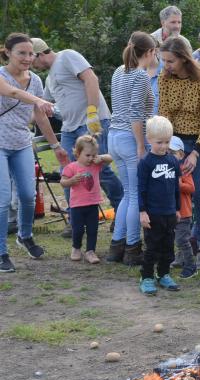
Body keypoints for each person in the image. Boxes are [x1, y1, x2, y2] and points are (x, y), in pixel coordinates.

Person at [31, 38, 123, 235]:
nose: (32, 65)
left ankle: (122, 212)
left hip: (89, 123)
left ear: (39, 54)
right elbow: (45, 104)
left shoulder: (67, 56)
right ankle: (75, 220)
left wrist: (92, 112)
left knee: (101, 169)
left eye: (33, 59)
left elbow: (91, 79)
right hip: (69, 128)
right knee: (68, 172)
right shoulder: (49, 78)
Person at [158, 37, 200, 267]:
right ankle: (182, 246)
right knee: (176, 192)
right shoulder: (165, 80)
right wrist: (167, 146)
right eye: (164, 61)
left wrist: (195, 152)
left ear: (184, 59)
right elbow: (165, 115)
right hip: (177, 139)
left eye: (171, 61)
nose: (166, 65)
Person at [0, 33, 58, 272]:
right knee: (3, 200)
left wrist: (56, 145)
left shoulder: (35, 80)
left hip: (22, 142)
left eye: (30, 53)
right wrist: (38, 100)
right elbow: (12, 93)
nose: (26, 58)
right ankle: (1, 252)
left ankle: (25, 236)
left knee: (27, 196)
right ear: (8, 53)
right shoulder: (1, 75)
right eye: (21, 53)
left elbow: (39, 116)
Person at [107, 31, 156, 266]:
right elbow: (136, 112)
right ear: (149, 52)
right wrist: (140, 145)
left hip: (114, 135)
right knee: (136, 193)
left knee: (128, 192)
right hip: (130, 136)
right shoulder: (141, 76)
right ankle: (133, 247)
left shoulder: (119, 71)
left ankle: (117, 245)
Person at [137, 116, 181, 295]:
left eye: (167, 142)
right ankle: (146, 277)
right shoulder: (146, 163)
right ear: (149, 140)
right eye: (159, 142)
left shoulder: (173, 161)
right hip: (153, 213)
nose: (164, 146)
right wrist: (142, 212)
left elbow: (176, 188)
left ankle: (163, 274)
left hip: (169, 212)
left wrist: (177, 208)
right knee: (152, 247)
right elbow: (141, 189)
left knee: (168, 246)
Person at [60, 135, 112, 264]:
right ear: (77, 153)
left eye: (93, 155)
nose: (90, 158)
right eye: (87, 155)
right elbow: (63, 182)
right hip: (77, 206)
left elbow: (110, 159)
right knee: (77, 229)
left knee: (92, 229)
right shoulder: (71, 167)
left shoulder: (95, 165)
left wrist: (100, 158)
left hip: (93, 204)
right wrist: (71, 181)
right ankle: (76, 248)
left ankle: (90, 251)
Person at [169, 136, 196, 279]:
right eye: (167, 152)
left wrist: (178, 184)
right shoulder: (163, 169)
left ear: (181, 155)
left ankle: (191, 265)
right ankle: (179, 259)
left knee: (181, 239)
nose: (169, 155)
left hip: (184, 212)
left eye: (173, 153)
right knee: (173, 237)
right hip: (169, 211)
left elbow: (191, 188)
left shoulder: (184, 170)